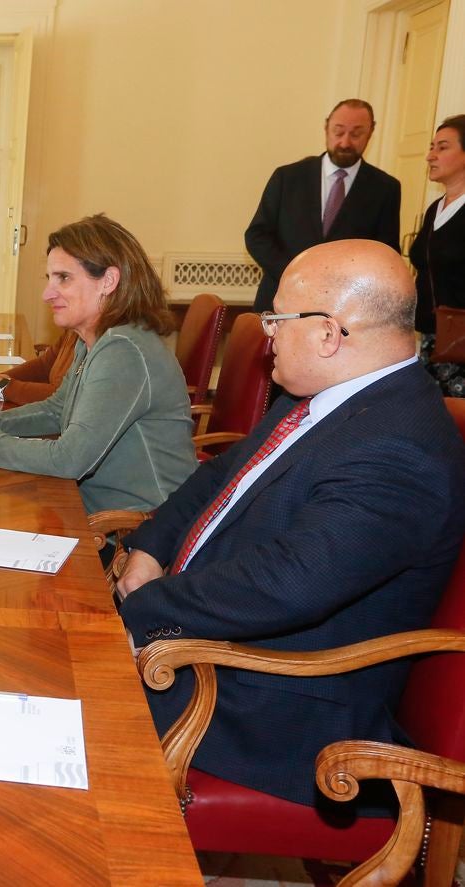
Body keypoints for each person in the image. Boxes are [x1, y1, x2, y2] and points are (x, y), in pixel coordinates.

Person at [116, 239, 465, 813]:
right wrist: (150, 548)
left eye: (276, 318)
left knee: (46, 710)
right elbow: (216, 480)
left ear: (330, 333)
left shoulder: (402, 446)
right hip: (212, 642)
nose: (268, 334)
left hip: (273, 706)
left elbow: (286, 583)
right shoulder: (320, 397)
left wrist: (149, 608)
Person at [0, 214, 196, 516]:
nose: (47, 294)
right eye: (49, 279)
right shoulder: (93, 340)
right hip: (95, 510)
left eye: (64, 278)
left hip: (136, 530)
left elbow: (69, 459)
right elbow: (57, 410)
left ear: (108, 281)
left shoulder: (124, 351)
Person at [245, 99, 400, 312]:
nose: (345, 142)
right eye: (338, 131)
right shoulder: (288, 177)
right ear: (326, 127)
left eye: (356, 134)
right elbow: (257, 236)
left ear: (371, 132)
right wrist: (295, 275)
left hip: (344, 309)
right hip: (280, 300)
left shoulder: (385, 188)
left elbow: (385, 255)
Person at [410, 115, 465, 397]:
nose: (430, 155)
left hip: (461, 345)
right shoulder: (435, 208)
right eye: (432, 147)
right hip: (432, 339)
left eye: (442, 147)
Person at [0, 331, 78, 406]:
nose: (47, 299)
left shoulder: (91, 343)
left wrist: (3, 386)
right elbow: (44, 365)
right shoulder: (72, 331)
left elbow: (63, 398)